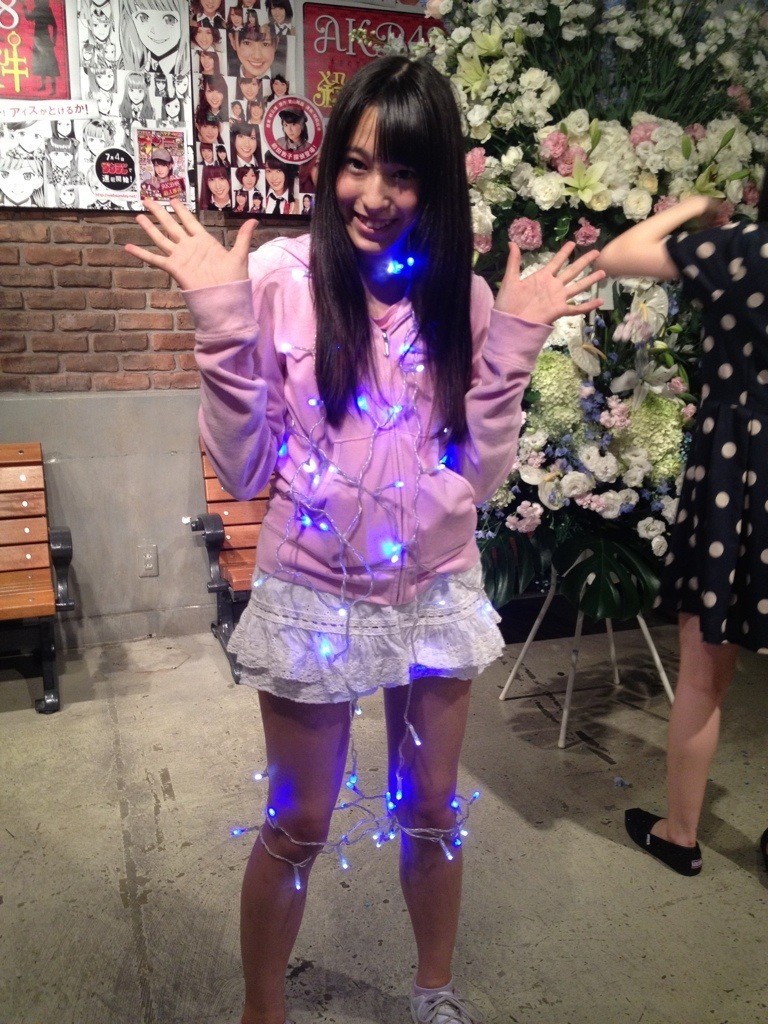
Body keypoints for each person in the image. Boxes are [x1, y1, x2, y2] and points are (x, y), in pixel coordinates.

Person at [125, 55, 603, 1024]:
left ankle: (434, 991)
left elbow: (479, 474)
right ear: (329, 165)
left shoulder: (463, 298)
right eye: (354, 163)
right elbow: (245, 469)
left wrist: (513, 347)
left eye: (403, 173)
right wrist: (219, 325)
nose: (373, 195)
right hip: (311, 589)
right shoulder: (278, 278)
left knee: (429, 808)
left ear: (438, 184)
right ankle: (264, 1009)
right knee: (299, 820)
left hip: (433, 589)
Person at [596, 165, 768, 877]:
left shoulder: (742, 250)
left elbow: (618, 253)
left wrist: (697, 205)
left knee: (703, 673)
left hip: (737, 472)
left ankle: (680, 833)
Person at [24, 0, 60, 94]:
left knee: (49, 63)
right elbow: (28, 18)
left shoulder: (46, 10)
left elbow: (54, 26)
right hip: (38, 38)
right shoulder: (38, 9)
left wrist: (54, 40)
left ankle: (53, 88)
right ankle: (44, 85)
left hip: (45, 38)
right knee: (41, 62)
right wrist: (24, 6)